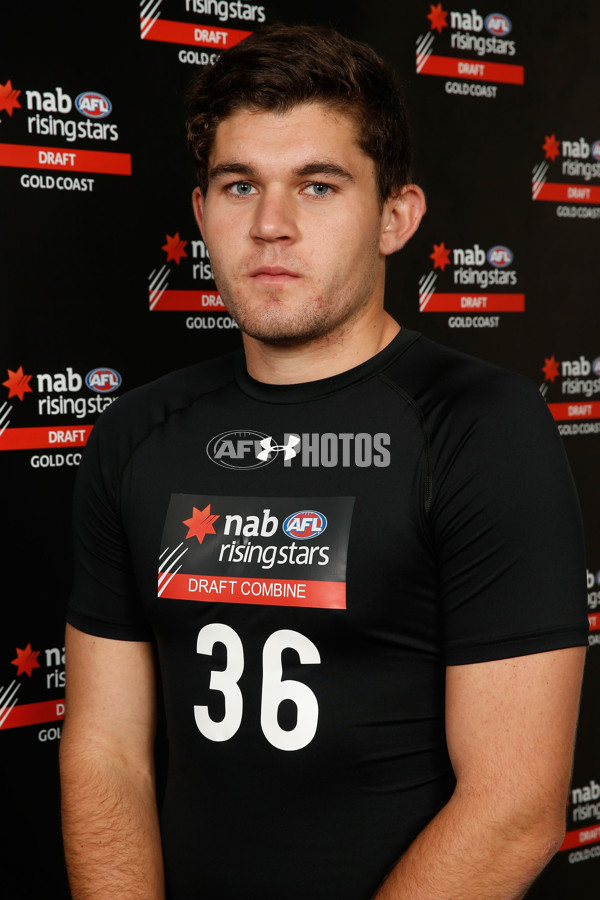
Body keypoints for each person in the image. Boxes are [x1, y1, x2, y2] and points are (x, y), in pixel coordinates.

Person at [60, 23, 588, 900]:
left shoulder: (479, 425)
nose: (270, 225)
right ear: (201, 214)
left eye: (317, 184)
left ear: (396, 216)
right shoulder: (137, 431)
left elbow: (516, 806)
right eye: (239, 186)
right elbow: (105, 750)